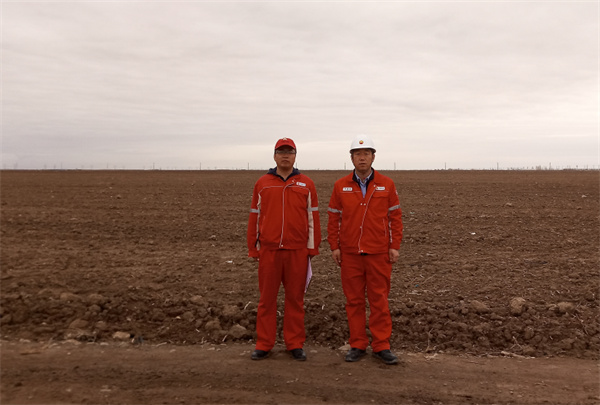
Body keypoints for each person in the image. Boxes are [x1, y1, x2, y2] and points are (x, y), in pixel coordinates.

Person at [327, 135, 403, 365]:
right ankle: (357, 344)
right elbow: (333, 219)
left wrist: (394, 246)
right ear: (351, 158)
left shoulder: (387, 184)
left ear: (373, 157)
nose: (362, 158)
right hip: (350, 254)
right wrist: (335, 246)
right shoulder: (340, 185)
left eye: (366, 154)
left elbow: (395, 218)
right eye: (358, 154)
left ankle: (381, 345)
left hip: (378, 253)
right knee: (354, 301)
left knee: (379, 300)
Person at [247, 137, 321, 361]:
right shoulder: (262, 183)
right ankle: (264, 343)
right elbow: (255, 217)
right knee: (266, 300)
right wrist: (253, 247)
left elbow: (312, 218)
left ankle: (294, 343)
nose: (285, 155)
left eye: (289, 152)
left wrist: (312, 248)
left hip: (297, 251)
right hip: (269, 251)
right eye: (281, 152)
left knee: (295, 300)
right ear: (274, 156)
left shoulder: (306, 184)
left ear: (295, 156)